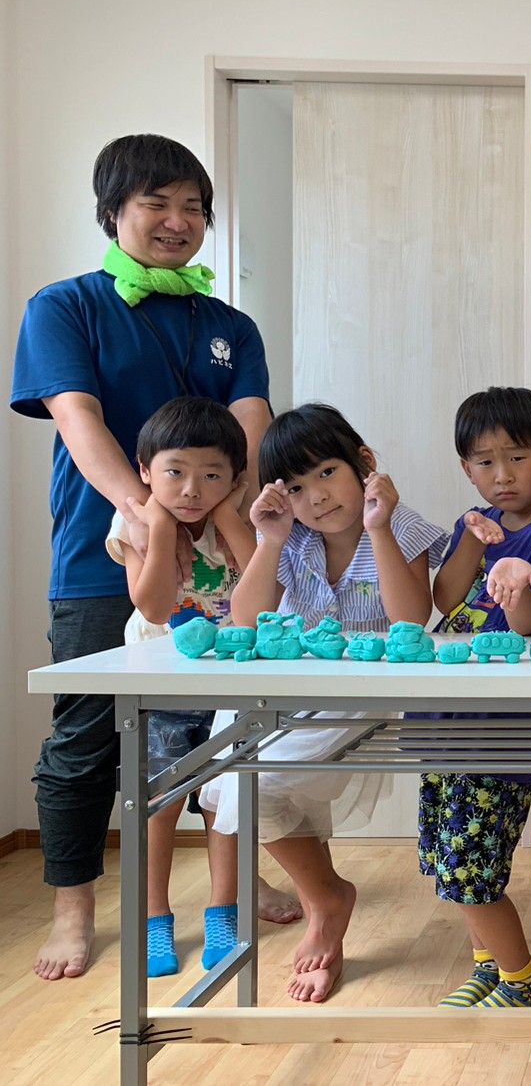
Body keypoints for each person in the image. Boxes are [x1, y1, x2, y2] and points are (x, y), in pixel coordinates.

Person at [10, 133, 279, 981]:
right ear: (113, 212)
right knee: (90, 734)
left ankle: (240, 879)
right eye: (156, 204)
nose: (177, 221)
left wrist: (228, 525)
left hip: (222, 566)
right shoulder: (66, 305)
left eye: (193, 207)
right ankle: (74, 902)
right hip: (104, 558)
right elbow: (79, 422)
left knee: (235, 732)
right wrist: (146, 511)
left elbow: (251, 430)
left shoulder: (229, 323)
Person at [202, 403, 447, 1003]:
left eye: (327, 474)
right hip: (290, 684)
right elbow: (249, 620)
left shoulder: (399, 525)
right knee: (221, 775)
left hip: (362, 689)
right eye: (296, 487)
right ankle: (327, 902)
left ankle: (324, 901)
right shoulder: (295, 539)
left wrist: (380, 527)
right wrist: (269, 538)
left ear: (363, 465)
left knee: (254, 783)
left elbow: (412, 618)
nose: (316, 496)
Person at [412, 387, 531, 1010]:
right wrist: (475, 545)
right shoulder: (472, 525)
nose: (501, 475)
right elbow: (445, 599)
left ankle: (520, 978)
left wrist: (514, 585)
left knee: (474, 860)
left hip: (498, 720)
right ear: (466, 469)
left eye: (517, 457)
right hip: (444, 711)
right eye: (484, 462)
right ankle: (486, 966)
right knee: (447, 850)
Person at [104, 397, 256, 977]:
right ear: (145, 471)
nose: (192, 488)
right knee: (156, 806)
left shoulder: (232, 524)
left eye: (212, 475)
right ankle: (154, 920)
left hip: (228, 689)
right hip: (158, 688)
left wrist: (229, 521)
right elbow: (156, 603)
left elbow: (260, 600)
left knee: (225, 805)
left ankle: (223, 911)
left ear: (235, 480)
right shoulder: (136, 524)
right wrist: (163, 527)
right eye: (175, 472)